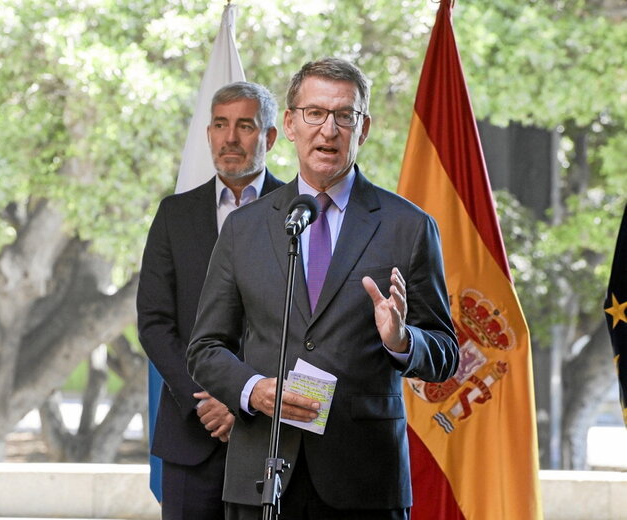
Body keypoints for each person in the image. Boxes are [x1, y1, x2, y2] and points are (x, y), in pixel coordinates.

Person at [186, 58, 460, 519]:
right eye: (314, 113)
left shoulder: (408, 227)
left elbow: (445, 353)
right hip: (262, 475)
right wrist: (252, 389)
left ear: (364, 128)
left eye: (344, 116)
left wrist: (401, 340)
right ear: (290, 124)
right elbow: (205, 348)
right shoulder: (244, 228)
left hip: (365, 480)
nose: (328, 130)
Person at [137, 81, 285, 520]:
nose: (230, 138)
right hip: (193, 429)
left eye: (245, 125)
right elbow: (155, 323)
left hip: (272, 434)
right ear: (208, 134)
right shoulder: (174, 215)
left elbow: (304, 326)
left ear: (271, 137)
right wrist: (208, 399)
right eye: (220, 125)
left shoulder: (299, 210)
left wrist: (245, 396)